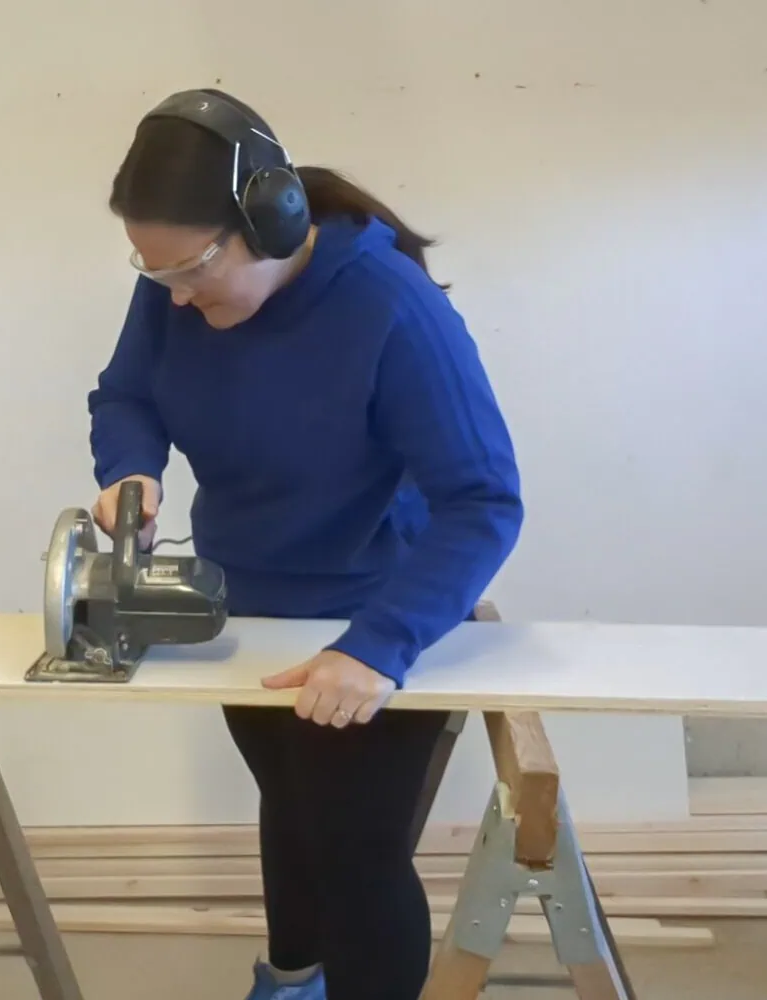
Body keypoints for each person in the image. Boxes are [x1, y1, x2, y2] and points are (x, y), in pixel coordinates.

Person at [85, 88, 524, 1000]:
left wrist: (378, 646)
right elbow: (125, 394)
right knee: (291, 814)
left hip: (374, 617)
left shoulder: (386, 307)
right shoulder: (172, 279)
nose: (175, 296)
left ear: (270, 224)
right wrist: (131, 468)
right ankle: (290, 982)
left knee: (354, 852)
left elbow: (481, 502)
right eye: (154, 273)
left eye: (192, 273)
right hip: (243, 611)